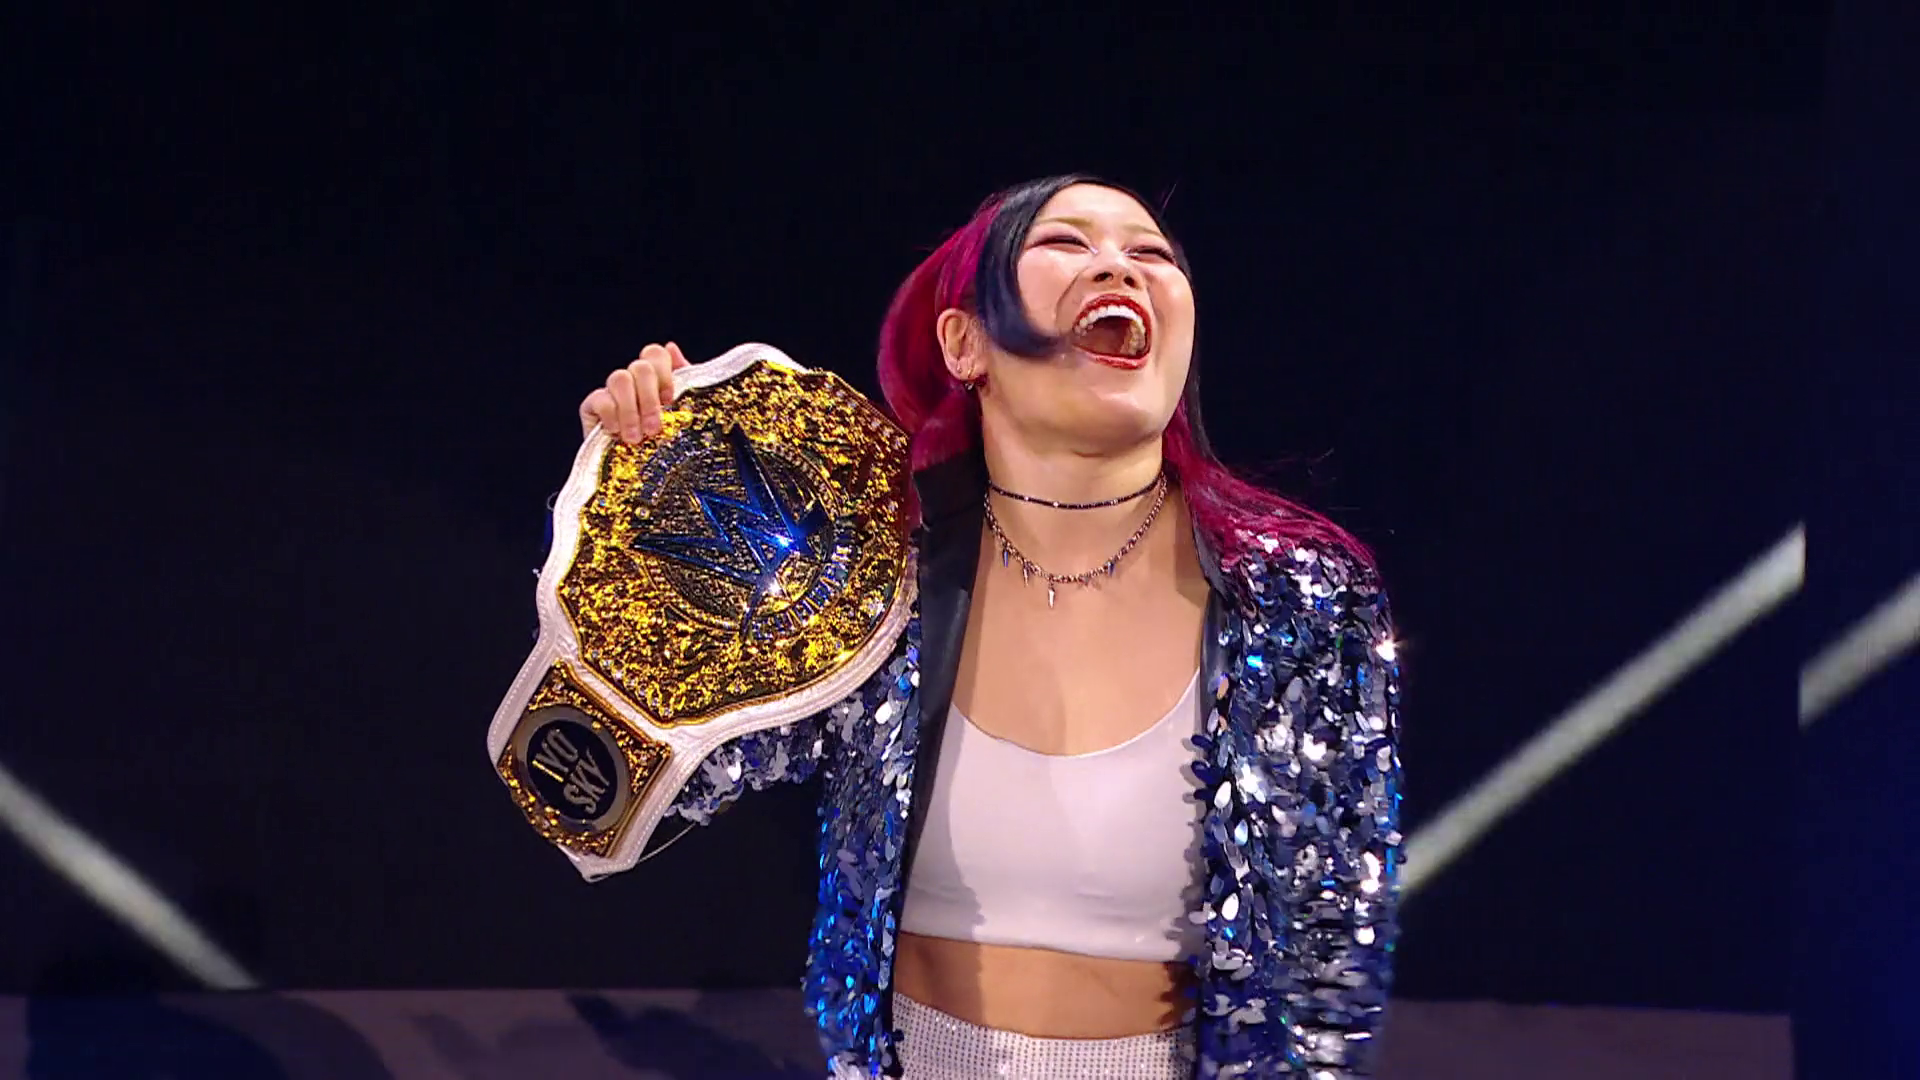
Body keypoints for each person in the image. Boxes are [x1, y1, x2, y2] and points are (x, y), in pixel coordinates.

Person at [574, 174, 1403, 1079]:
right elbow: (622, 810)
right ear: (964, 343)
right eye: (1067, 243)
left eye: (1152, 254)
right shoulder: (871, 576)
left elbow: (1329, 962)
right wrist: (633, 513)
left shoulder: (1296, 593)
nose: (1120, 268)